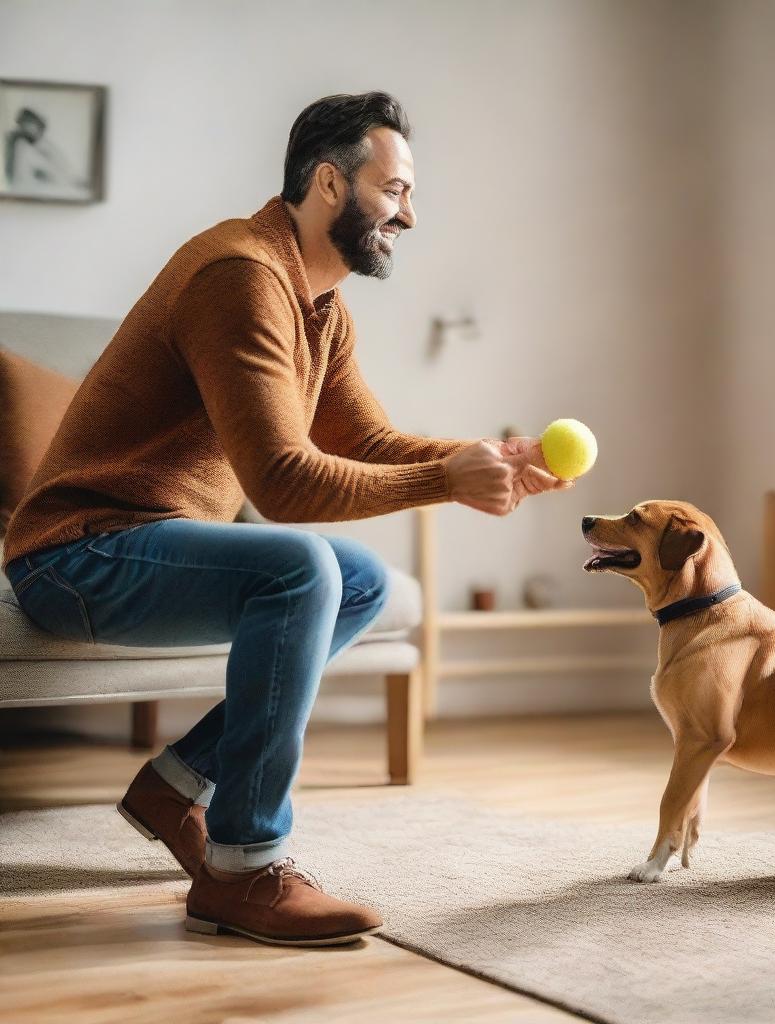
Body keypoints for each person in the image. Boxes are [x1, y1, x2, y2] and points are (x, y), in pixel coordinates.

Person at [2, 92, 568, 947]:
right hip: (76, 554)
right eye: (397, 190)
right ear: (331, 184)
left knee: (364, 580)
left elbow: (366, 439)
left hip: (144, 547)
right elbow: (286, 481)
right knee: (301, 565)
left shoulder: (319, 305)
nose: (410, 215)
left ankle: (177, 782)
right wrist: (446, 482)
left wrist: (483, 456)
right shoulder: (240, 276)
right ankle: (243, 866)